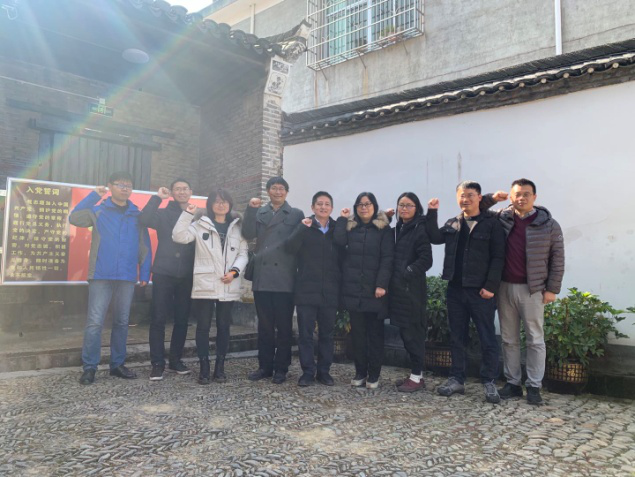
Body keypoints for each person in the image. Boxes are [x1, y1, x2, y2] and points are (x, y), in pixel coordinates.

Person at [481, 179, 565, 405]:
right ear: (511, 196)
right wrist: (492, 198)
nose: (521, 198)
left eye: (526, 194)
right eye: (517, 194)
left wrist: (552, 289)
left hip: (533, 289)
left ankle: (534, 385)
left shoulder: (549, 224)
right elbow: (478, 209)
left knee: (535, 339)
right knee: (509, 339)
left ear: (534, 197)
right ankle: (513, 383)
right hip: (504, 287)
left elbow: (557, 258)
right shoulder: (502, 217)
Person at [69, 171, 151, 385]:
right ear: (110, 186)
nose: (125, 188)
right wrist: (94, 196)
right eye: (120, 184)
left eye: (128, 185)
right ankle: (89, 367)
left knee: (122, 322)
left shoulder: (137, 215)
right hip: (101, 274)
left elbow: (144, 246)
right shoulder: (98, 211)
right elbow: (74, 217)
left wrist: (144, 272)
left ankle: (117, 364)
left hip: (126, 276)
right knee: (94, 322)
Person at [426, 181, 505, 403]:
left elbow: (499, 257)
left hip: (481, 292)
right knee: (456, 336)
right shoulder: (453, 222)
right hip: (455, 289)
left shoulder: (492, 223)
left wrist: (491, 287)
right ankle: (457, 379)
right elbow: (434, 237)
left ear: (479, 197)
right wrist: (432, 212)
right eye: (462, 195)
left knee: (487, 337)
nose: (465, 199)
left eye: (470, 195)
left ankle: (489, 381)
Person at [172, 188, 248, 385]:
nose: (221, 205)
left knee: (224, 326)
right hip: (206, 282)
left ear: (230, 204)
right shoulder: (200, 224)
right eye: (217, 201)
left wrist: (234, 272)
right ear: (210, 204)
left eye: (224, 201)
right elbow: (179, 236)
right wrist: (187, 214)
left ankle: (220, 368)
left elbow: (243, 253)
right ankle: (204, 367)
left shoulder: (237, 227)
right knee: (203, 327)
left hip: (228, 281)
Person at [242, 177, 304, 384]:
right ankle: (265, 366)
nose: (278, 192)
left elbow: (298, 244)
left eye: (281, 188)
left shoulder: (296, 214)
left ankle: (281, 368)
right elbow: (248, 233)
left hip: (285, 277)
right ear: (268, 191)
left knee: (284, 327)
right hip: (262, 276)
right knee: (265, 326)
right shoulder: (259, 212)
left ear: (286, 192)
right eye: (274, 188)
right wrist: (250, 210)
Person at [140, 179, 199, 381]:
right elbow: (144, 219)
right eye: (178, 189)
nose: (182, 192)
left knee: (182, 319)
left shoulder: (197, 215)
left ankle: (175, 360)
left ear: (191, 191)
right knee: (158, 318)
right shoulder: (163, 213)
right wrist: (157, 198)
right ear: (172, 192)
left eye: (185, 188)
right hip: (164, 271)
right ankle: (157, 364)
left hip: (187, 273)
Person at [334, 192, 394, 389]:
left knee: (375, 334)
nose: (364, 207)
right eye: (360, 204)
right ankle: (360, 372)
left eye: (368, 204)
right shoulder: (351, 228)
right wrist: (342, 220)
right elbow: (339, 242)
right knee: (357, 335)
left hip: (374, 290)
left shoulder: (384, 229)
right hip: (353, 289)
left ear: (374, 206)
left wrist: (381, 284)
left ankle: (374, 374)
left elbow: (387, 258)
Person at [286, 191, 341, 387]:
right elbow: (290, 248)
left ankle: (324, 372)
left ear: (331, 208)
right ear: (312, 207)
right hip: (306, 290)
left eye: (327, 204)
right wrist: (301, 228)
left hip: (330, 291)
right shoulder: (305, 226)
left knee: (327, 334)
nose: (323, 207)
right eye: (319, 204)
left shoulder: (337, 229)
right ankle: (308, 371)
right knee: (305, 334)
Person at [389, 192, 433, 393]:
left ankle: (417, 377)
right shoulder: (398, 229)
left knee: (413, 335)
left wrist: (407, 272)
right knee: (405, 334)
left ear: (417, 208)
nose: (404, 209)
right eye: (401, 205)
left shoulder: (419, 229)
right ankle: (415, 375)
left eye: (409, 205)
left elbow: (426, 260)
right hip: (398, 291)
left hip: (412, 291)